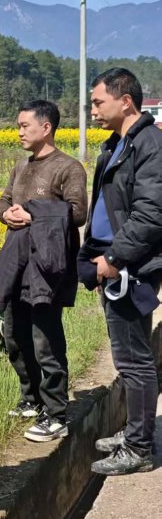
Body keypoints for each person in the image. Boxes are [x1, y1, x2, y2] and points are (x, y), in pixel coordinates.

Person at [81, 68, 162, 476]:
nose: (92, 109)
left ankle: (139, 447)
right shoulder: (120, 143)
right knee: (128, 355)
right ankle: (135, 432)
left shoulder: (149, 145)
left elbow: (151, 215)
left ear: (125, 100)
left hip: (130, 267)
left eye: (98, 102)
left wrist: (114, 258)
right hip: (115, 264)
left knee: (134, 359)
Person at [0, 100, 88, 442]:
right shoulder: (21, 166)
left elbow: (77, 212)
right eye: (18, 126)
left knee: (45, 339)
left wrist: (34, 214)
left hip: (47, 265)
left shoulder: (68, 167)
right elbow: (4, 201)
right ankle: (31, 398)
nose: (19, 132)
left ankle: (56, 414)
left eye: (24, 126)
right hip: (18, 260)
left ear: (46, 127)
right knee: (14, 335)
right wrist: (6, 214)